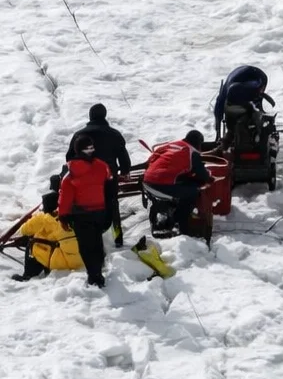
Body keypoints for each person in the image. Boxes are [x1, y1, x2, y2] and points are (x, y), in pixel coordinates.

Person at [66, 103, 131, 247]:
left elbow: (69, 157)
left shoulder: (80, 135)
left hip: (84, 180)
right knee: (112, 205)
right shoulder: (114, 134)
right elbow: (123, 156)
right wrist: (125, 171)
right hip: (108, 178)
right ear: (104, 115)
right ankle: (117, 238)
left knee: (86, 206)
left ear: (90, 116)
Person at [59, 134, 112, 288]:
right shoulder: (102, 166)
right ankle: (99, 267)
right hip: (100, 211)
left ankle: (95, 276)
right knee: (96, 240)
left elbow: (65, 196)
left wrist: (63, 216)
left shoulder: (71, 170)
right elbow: (109, 187)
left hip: (81, 214)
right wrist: (110, 210)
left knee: (86, 246)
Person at [143, 130, 211, 236]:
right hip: (160, 185)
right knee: (192, 192)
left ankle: (168, 213)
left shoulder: (172, 144)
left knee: (182, 185)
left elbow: (152, 158)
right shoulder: (192, 152)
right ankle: (179, 222)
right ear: (198, 143)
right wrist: (208, 177)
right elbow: (202, 175)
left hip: (147, 181)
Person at [11, 191, 83, 282]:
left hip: (63, 263)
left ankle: (28, 275)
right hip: (81, 259)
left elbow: (24, 230)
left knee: (32, 243)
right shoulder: (74, 214)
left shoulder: (44, 218)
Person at [213, 66, 275, 147]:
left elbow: (254, 94)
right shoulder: (223, 97)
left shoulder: (252, 87)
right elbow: (218, 112)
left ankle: (257, 131)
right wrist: (217, 134)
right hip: (237, 80)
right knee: (234, 112)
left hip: (258, 77)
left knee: (253, 108)